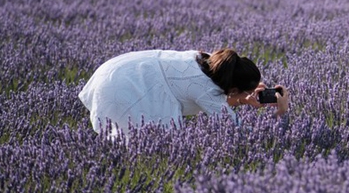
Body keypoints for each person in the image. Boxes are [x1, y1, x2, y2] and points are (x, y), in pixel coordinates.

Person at [79, 48, 289, 139]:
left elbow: (212, 98)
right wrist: (282, 112)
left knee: (143, 139)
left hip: (118, 69)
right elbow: (239, 133)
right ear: (233, 88)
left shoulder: (208, 61)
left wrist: (242, 99)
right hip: (128, 86)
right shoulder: (205, 89)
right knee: (145, 143)